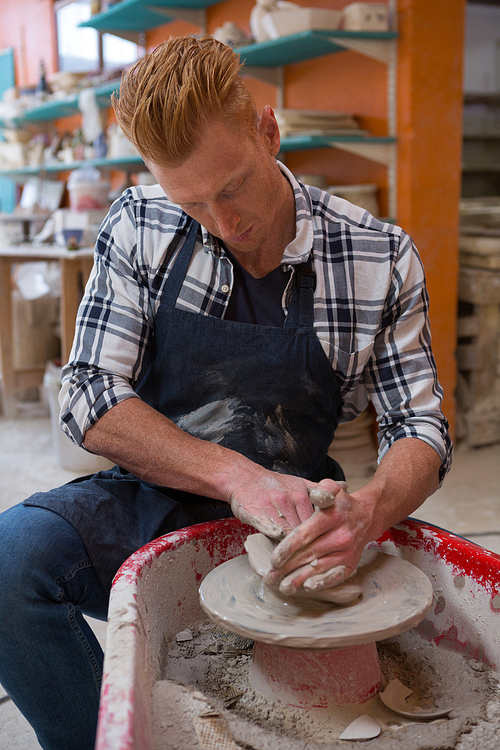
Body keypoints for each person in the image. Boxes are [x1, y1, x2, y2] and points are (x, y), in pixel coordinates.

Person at [0, 35, 452, 750]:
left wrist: (369, 511)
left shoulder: (378, 256)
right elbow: (86, 394)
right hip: (152, 497)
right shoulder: (141, 223)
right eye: (195, 202)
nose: (224, 221)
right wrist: (233, 474)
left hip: (294, 523)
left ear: (266, 131)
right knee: (9, 560)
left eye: (234, 185)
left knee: (450, 610)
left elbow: (421, 428)